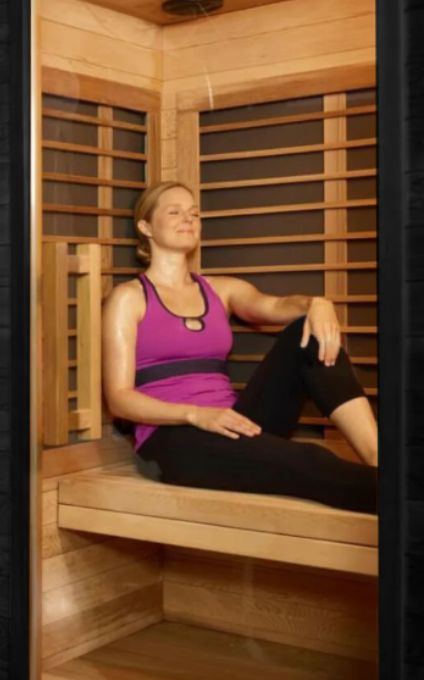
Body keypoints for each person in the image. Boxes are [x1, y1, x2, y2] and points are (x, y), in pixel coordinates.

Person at [102, 181, 378, 514]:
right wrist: (196, 415)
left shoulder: (221, 290)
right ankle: (402, 496)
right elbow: (119, 399)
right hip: (173, 438)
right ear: (146, 226)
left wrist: (316, 303)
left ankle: (380, 459)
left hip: (234, 423)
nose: (188, 219)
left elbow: (275, 307)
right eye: (174, 212)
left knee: (306, 335)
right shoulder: (129, 298)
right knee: (309, 459)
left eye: (194, 213)